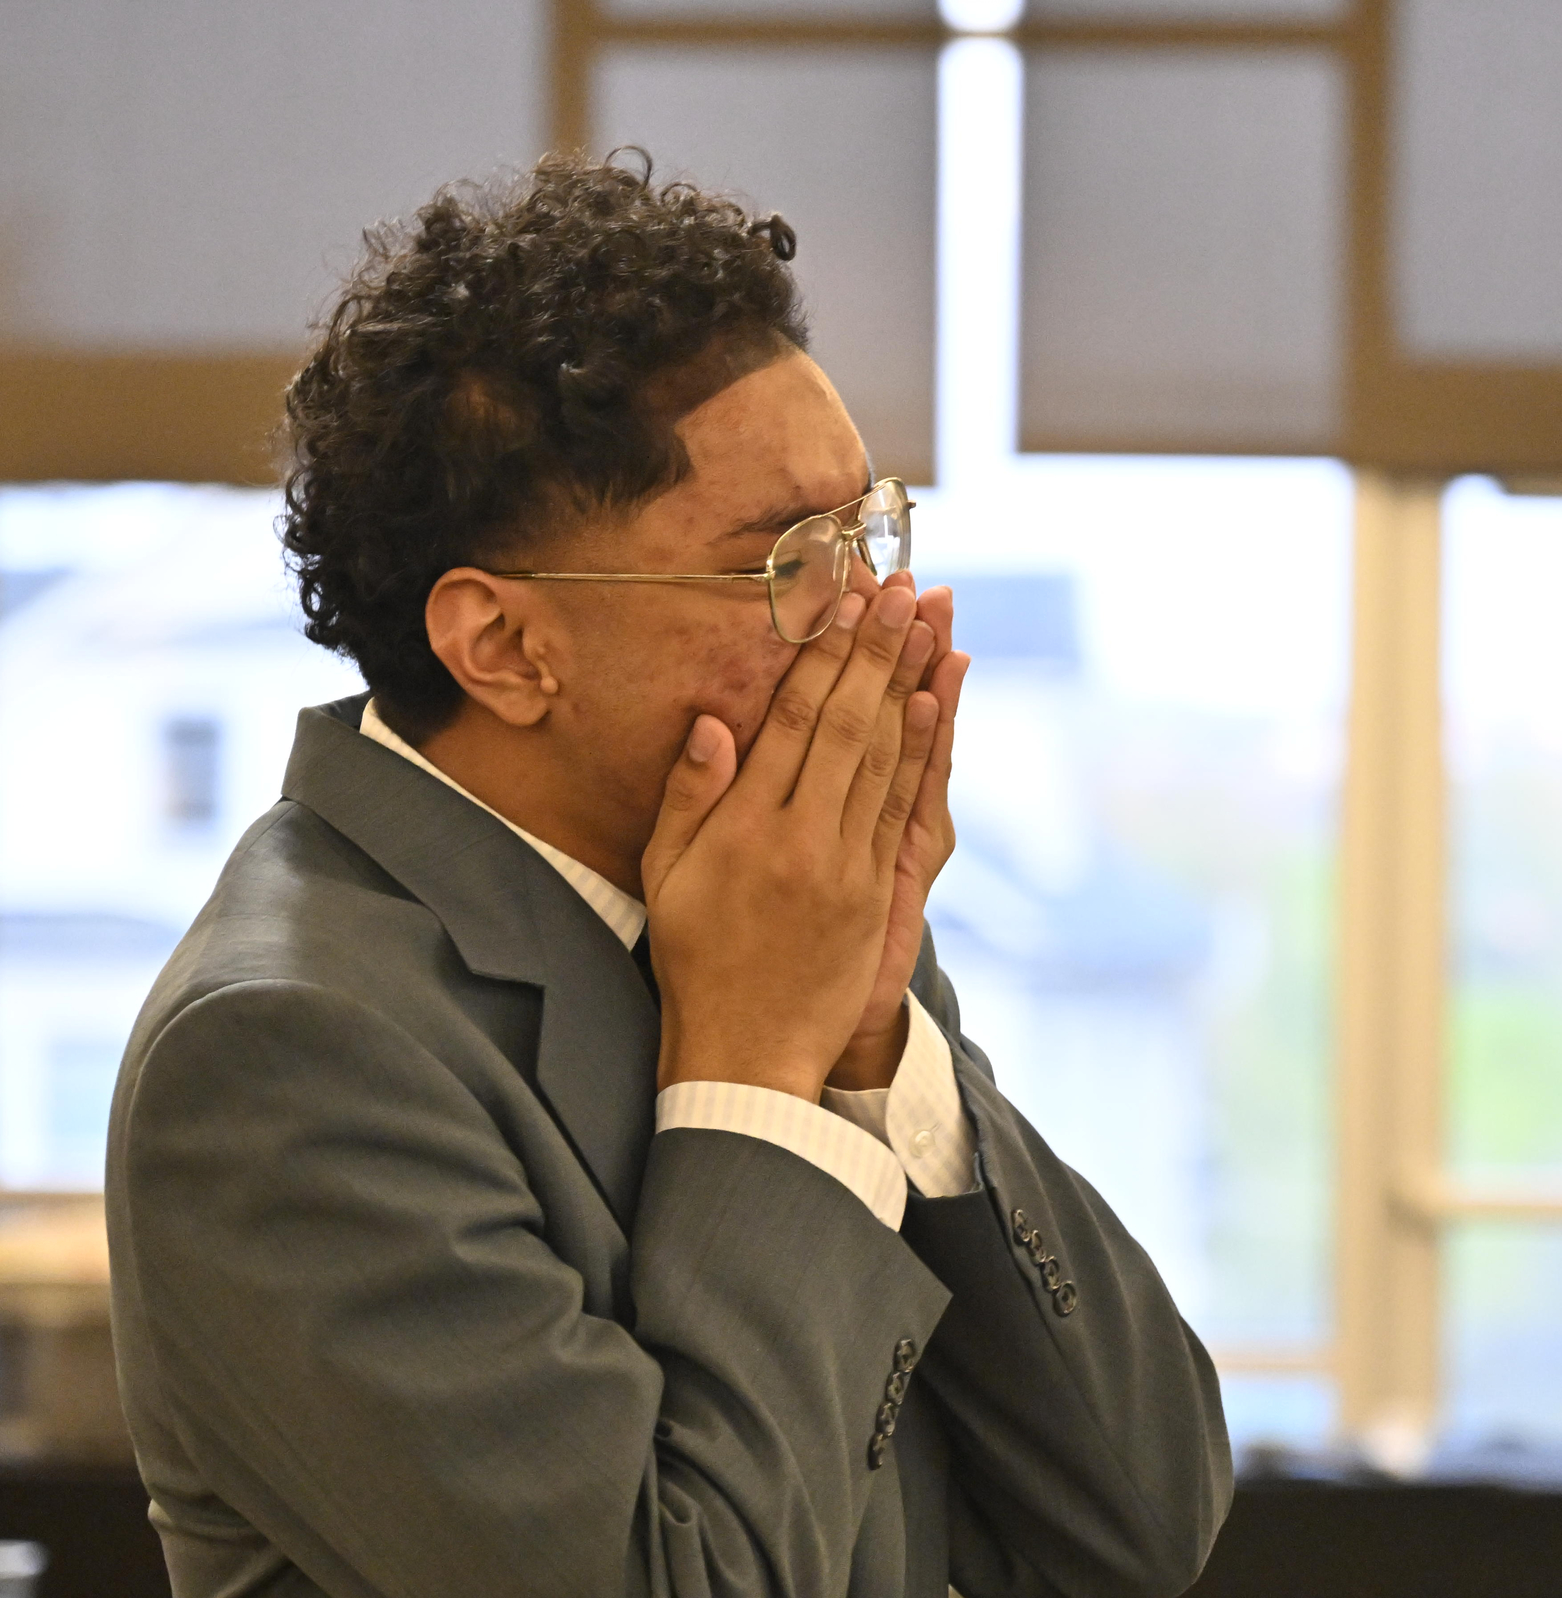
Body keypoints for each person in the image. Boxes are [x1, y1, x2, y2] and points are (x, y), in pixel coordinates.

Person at [103, 152, 1232, 1598]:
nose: (874, 621)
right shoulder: (287, 1054)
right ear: (505, 646)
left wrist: (881, 1046)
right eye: (787, 566)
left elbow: (1144, 1522)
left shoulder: (781, 903)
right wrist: (762, 1073)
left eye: (868, 533)